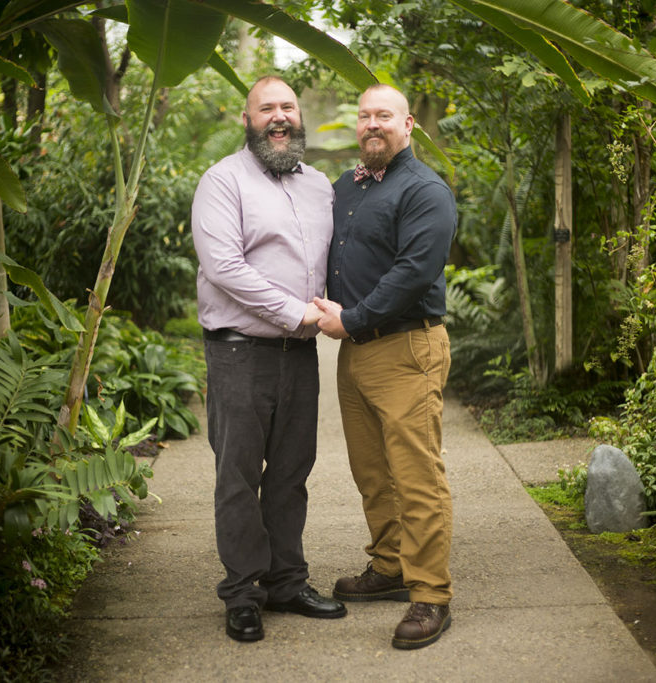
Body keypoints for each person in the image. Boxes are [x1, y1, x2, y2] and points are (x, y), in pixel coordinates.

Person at [190, 75, 347, 643]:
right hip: (239, 353)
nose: (279, 117)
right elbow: (224, 267)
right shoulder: (222, 182)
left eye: (287, 107)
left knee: (289, 473)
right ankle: (243, 592)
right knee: (237, 475)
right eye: (267, 109)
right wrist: (297, 312)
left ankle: (287, 581)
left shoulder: (320, 186)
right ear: (247, 118)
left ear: (298, 116)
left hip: (299, 357)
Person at [314, 83, 458, 650]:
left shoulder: (426, 191)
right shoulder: (345, 187)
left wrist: (351, 318)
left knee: (416, 476)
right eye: (365, 116)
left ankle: (431, 596)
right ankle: (390, 567)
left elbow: (414, 272)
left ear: (408, 125)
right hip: (357, 352)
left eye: (385, 116)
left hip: (406, 348)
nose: (373, 124)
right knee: (372, 473)